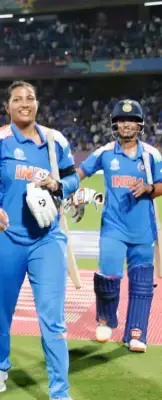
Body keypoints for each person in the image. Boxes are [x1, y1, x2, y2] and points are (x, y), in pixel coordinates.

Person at [0, 81, 79, 400]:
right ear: (7, 106)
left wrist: (58, 184)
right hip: (6, 238)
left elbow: (73, 178)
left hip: (47, 240)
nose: (25, 103)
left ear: (37, 103)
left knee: (53, 318)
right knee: (1, 311)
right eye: (18, 99)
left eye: (30, 98)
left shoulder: (54, 140)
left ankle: (60, 391)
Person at [71, 99, 160, 353]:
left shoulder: (151, 155)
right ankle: (106, 320)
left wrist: (148, 188)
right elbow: (79, 173)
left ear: (140, 125)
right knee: (108, 275)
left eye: (132, 120)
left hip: (143, 230)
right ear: (115, 124)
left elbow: (161, 184)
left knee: (142, 283)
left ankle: (136, 333)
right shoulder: (105, 152)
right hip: (113, 228)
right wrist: (64, 189)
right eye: (122, 120)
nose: (127, 125)